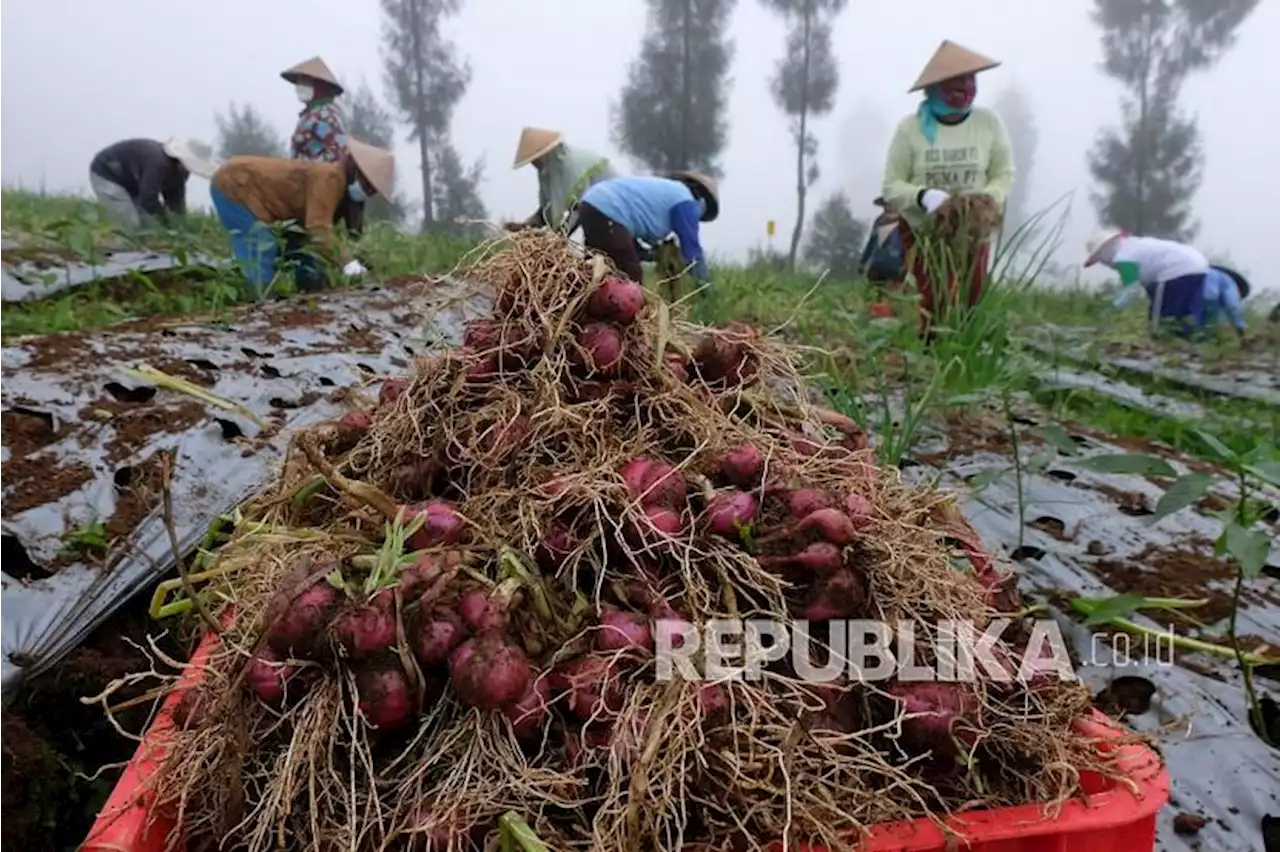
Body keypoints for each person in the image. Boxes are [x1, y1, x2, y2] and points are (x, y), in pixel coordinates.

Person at [881, 40, 1015, 334]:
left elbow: (1004, 173)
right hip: (924, 229)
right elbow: (891, 185)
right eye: (956, 81)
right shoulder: (910, 129)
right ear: (936, 87)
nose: (965, 86)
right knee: (935, 296)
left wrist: (987, 199)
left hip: (972, 225)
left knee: (972, 292)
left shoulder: (987, 123)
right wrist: (923, 196)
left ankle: (967, 349)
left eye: (970, 79)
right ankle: (931, 354)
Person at [208, 138, 393, 298]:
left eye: (371, 191)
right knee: (260, 243)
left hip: (252, 193)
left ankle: (309, 295)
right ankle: (257, 303)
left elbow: (310, 235)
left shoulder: (339, 188)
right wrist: (348, 263)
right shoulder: (330, 177)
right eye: (367, 186)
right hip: (234, 184)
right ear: (356, 172)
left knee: (303, 249)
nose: (367, 193)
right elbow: (319, 230)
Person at [1088, 230, 1251, 339]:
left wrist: (1111, 309)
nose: (1103, 263)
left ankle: (1171, 348)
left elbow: (1131, 289)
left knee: (1162, 325)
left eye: (1100, 259)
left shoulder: (1123, 257)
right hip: (1197, 267)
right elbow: (1146, 281)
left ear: (1105, 251)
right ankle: (1195, 342)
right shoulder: (1137, 245)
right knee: (1184, 317)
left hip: (1178, 273)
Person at [572, 172, 718, 290]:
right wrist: (705, 287)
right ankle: (632, 323)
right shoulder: (685, 200)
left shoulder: (669, 193)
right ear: (701, 199)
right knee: (631, 278)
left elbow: (629, 241)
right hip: (608, 209)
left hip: (593, 204)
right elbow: (692, 251)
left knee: (595, 272)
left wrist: (653, 255)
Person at [88, 137, 216, 230]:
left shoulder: (180, 172)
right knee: (130, 224)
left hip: (133, 180)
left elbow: (176, 203)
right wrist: (166, 225)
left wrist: (180, 227)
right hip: (108, 173)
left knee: (146, 225)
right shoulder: (157, 163)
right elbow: (148, 198)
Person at [506, 127, 616, 233]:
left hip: (614, 207)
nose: (534, 164)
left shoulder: (570, 166)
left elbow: (579, 209)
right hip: (596, 214)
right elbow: (547, 211)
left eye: (535, 159)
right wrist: (525, 226)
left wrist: (558, 237)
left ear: (546, 154)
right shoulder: (549, 173)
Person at [282, 56, 349, 164]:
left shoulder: (327, 116)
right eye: (300, 82)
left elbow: (336, 152)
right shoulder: (309, 115)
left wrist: (310, 169)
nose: (300, 87)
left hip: (316, 178)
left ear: (319, 86)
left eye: (305, 82)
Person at [859, 196, 905, 284]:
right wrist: (863, 261)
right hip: (877, 263)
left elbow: (910, 246)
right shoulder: (879, 221)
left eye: (890, 204)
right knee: (875, 290)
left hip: (896, 264)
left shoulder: (904, 222)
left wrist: (906, 265)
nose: (888, 207)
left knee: (893, 292)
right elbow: (872, 242)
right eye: (886, 204)